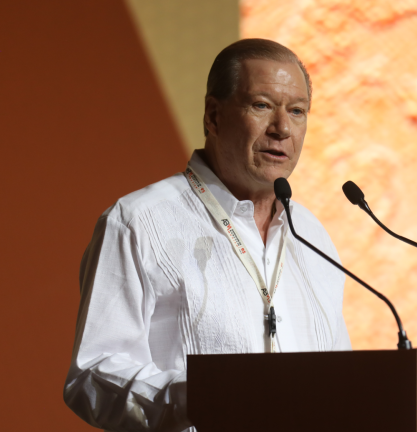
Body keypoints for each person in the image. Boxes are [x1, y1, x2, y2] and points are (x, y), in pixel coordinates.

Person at [63, 39, 351, 432]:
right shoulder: (139, 221)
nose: (283, 128)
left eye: (297, 111)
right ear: (213, 116)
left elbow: (339, 379)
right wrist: (196, 397)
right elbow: (91, 374)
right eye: (262, 105)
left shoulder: (313, 235)